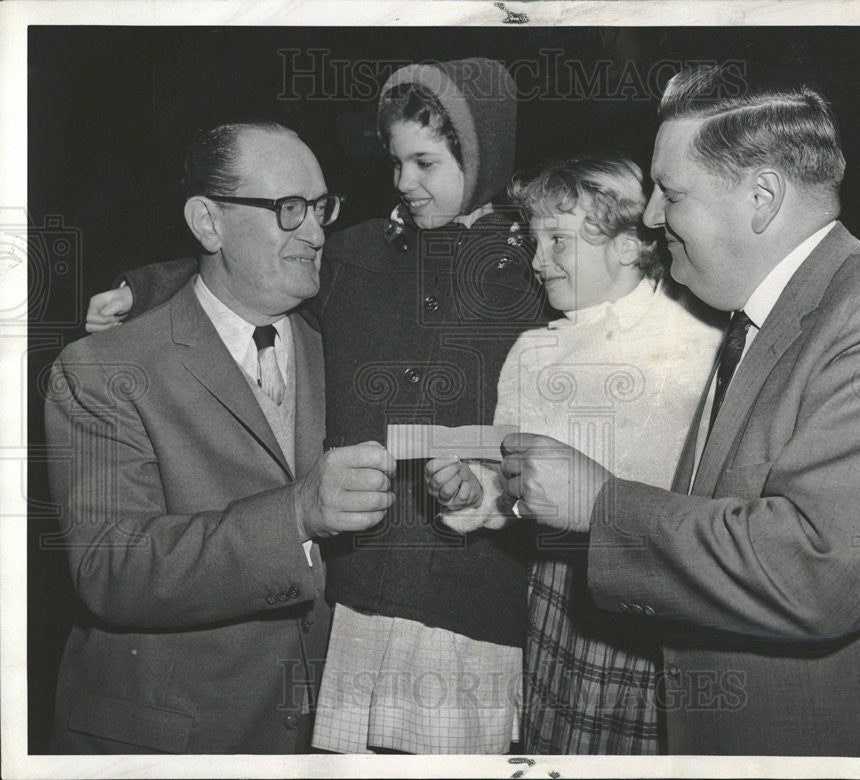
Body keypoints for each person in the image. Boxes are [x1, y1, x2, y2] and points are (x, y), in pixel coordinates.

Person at [497, 65, 860, 756]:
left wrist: (600, 505)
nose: (653, 216)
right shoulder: (752, 323)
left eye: (672, 192)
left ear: (761, 198)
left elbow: (817, 570)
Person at [84, 59, 547, 754]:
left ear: (483, 159)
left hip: (476, 610)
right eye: (394, 163)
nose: (403, 183)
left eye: (425, 162)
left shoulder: (539, 272)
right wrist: (141, 290)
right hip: (355, 604)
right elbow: (245, 267)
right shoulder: (359, 253)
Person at [45, 122, 397, 753]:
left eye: (321, 208)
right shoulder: (101, 370)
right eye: (289, 209)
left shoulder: (337, 350)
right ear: (208, 222)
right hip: (167, 744)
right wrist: (297, 514)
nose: (315, 233)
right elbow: (111, 569)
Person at [424, 154, 724, 754]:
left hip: (674, 591)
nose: (538, 263)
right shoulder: (533, 353)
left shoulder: (702, 336)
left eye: (558, 241)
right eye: (534, 242)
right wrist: (475, 494)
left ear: (630, 245)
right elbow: (512, 491)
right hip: (567, 598)